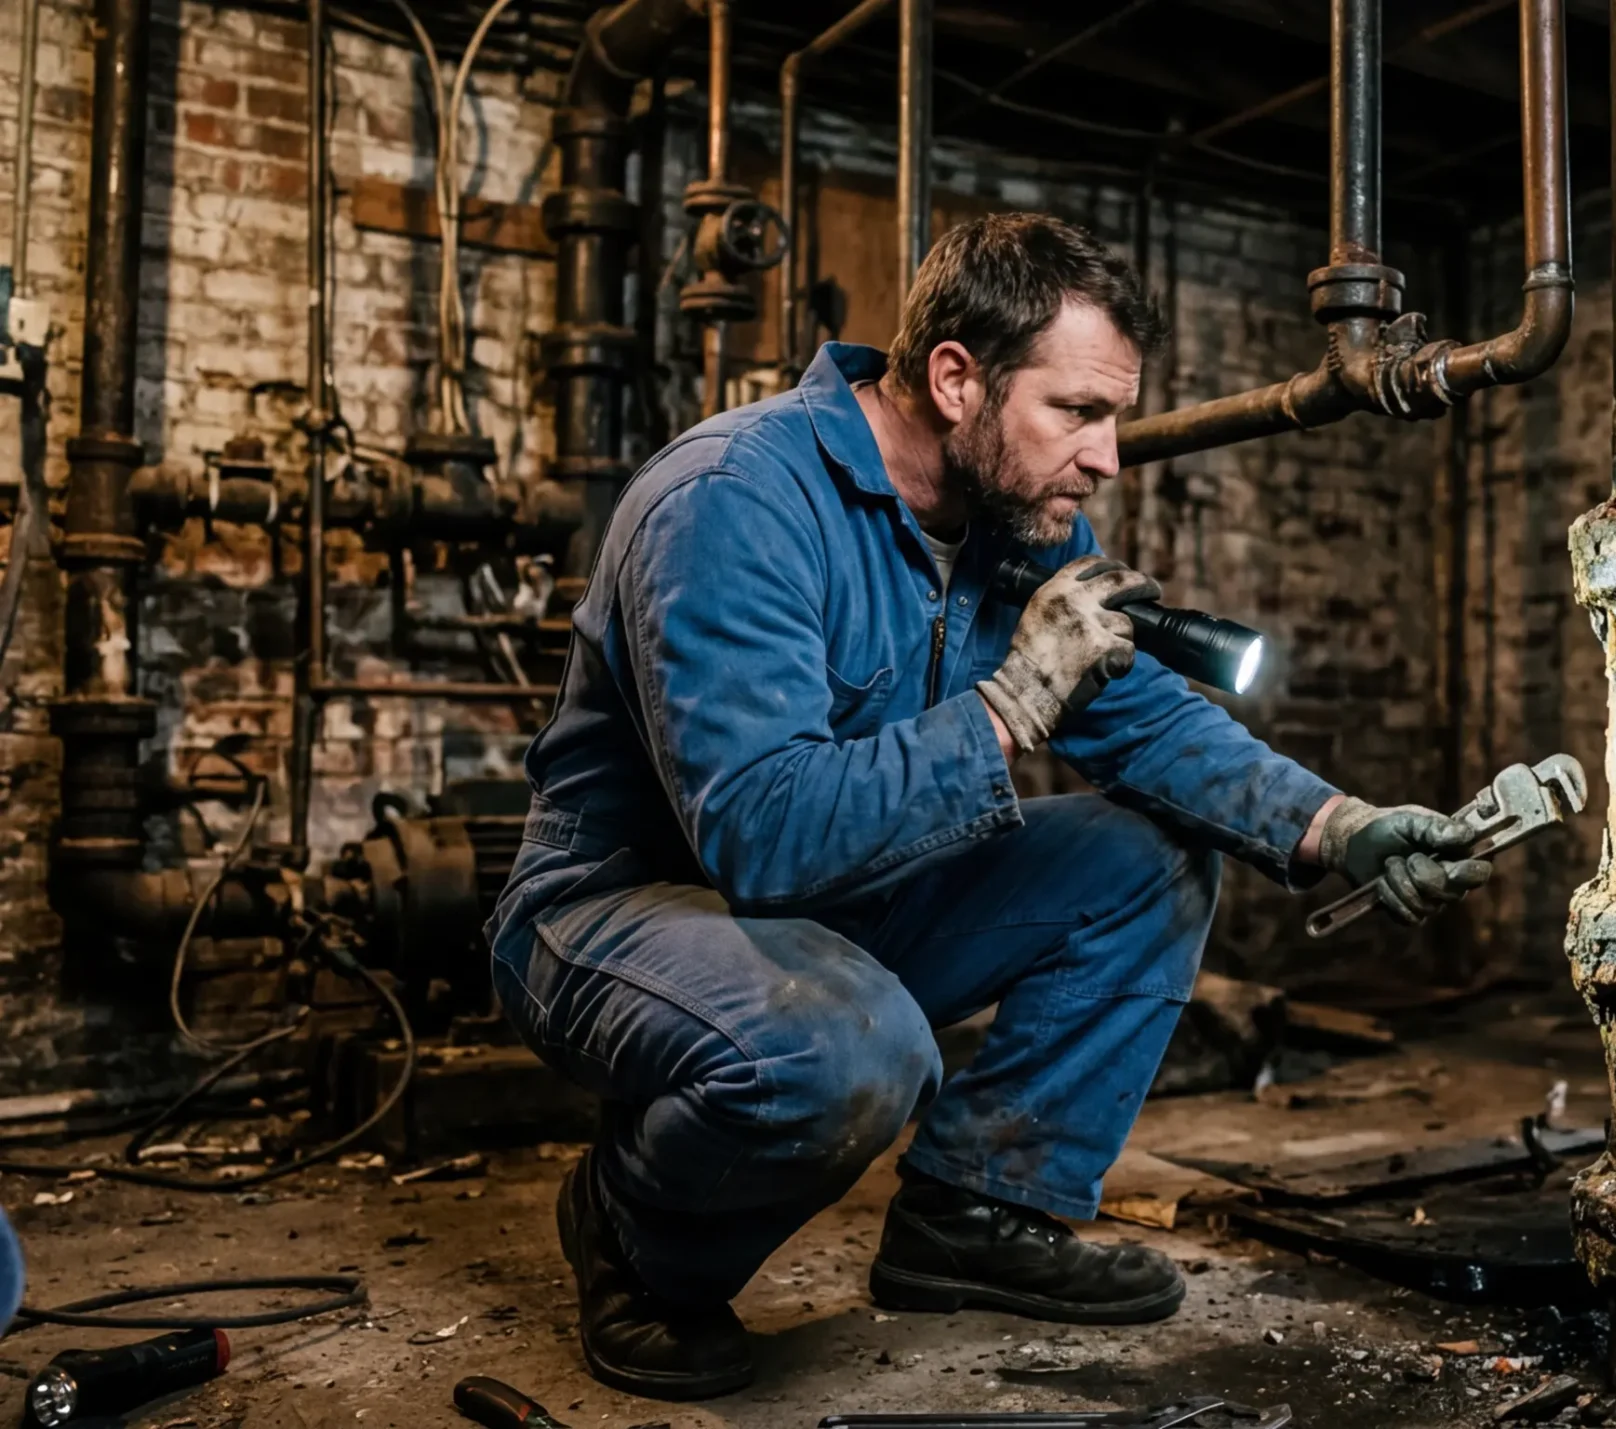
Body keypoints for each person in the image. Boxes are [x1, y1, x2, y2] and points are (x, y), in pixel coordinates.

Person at [487, 211, 1492, 1400]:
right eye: (1078, 412)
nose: (1108, 457)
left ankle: (975, 1210)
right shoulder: (731, 501)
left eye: (1113, 415)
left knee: (1151, 855)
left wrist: (1345, 827)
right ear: (956, 379)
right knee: (845, 1046)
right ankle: (632, 1235)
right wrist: (1014, 699)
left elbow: (1146, 722)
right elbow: (759, 831)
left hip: (842, 898)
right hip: (622, 906)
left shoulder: (1004, 518)